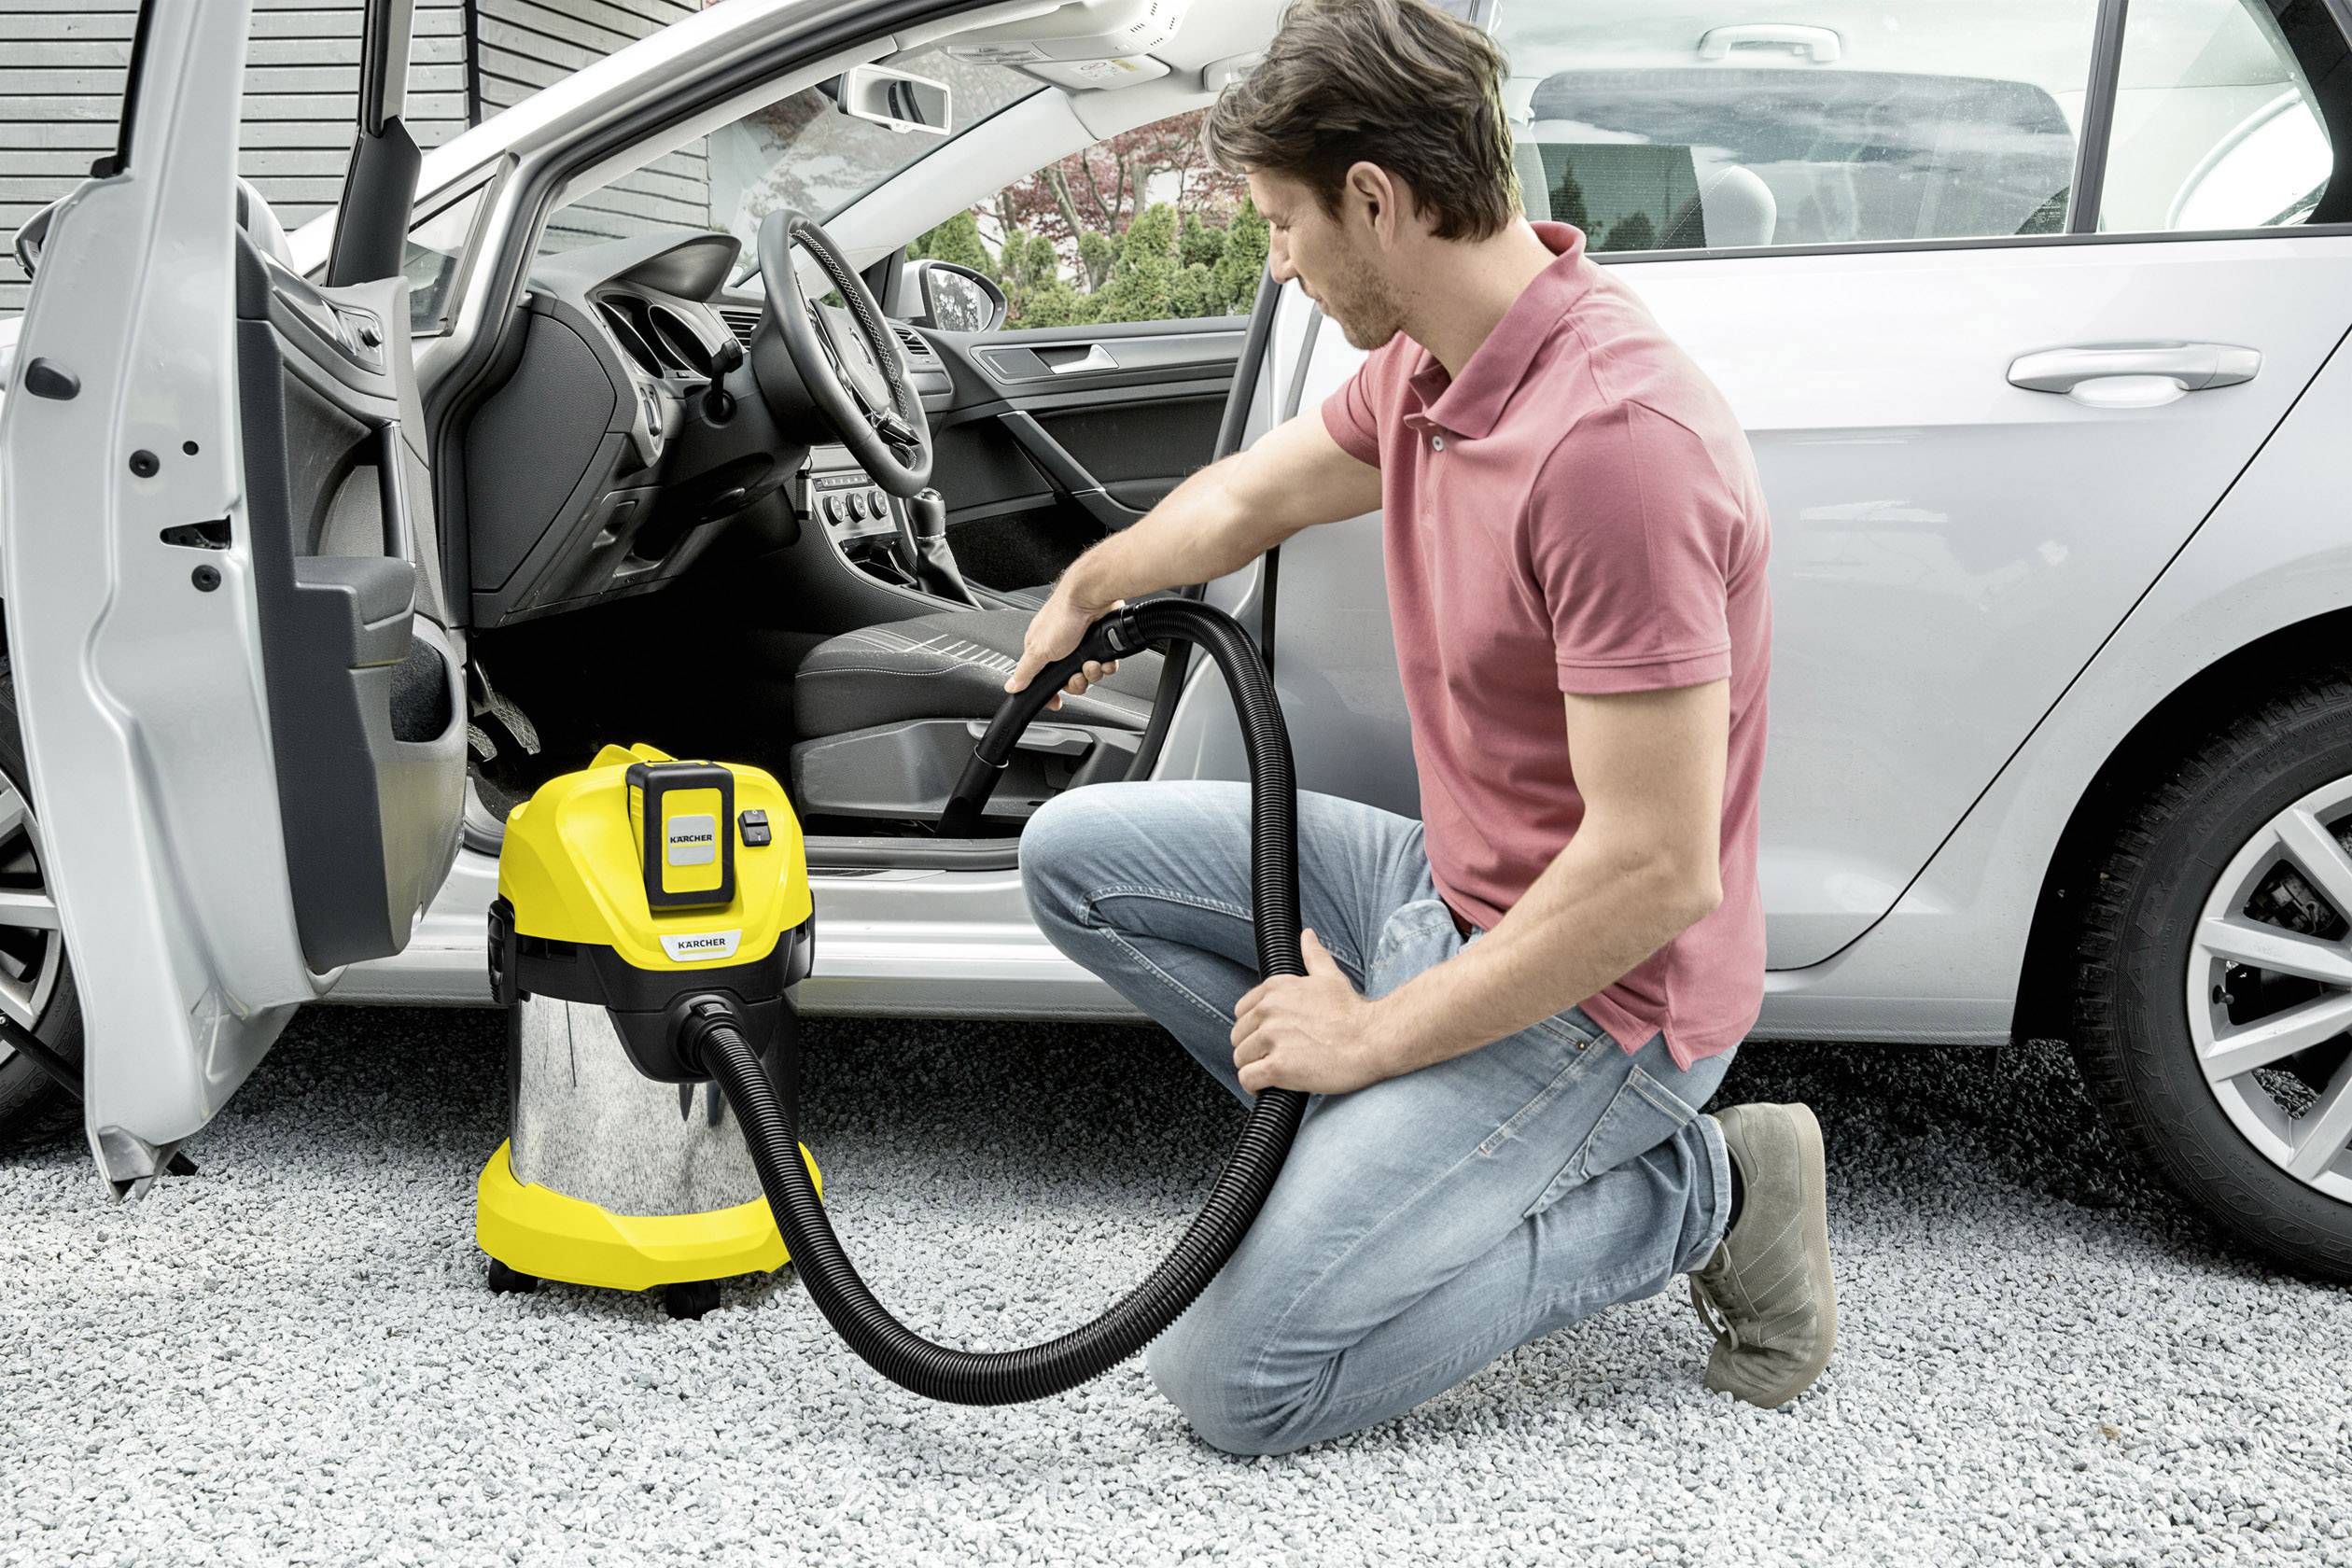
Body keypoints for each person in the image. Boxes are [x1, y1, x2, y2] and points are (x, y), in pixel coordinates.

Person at [1006, 0, 1832, 1455]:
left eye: (1282, 224)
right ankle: (1391, 1161)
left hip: (1602, 997)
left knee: (1235, 1381)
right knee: (1074, 855)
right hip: (1435, 891)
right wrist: (1086, 589)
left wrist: (1376, 1039)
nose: (1278, 259)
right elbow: (1250, 496)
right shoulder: (1436, 368)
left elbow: (1656, 876)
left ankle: (1704, 1190)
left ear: (1375, 202)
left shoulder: (1615, 450)